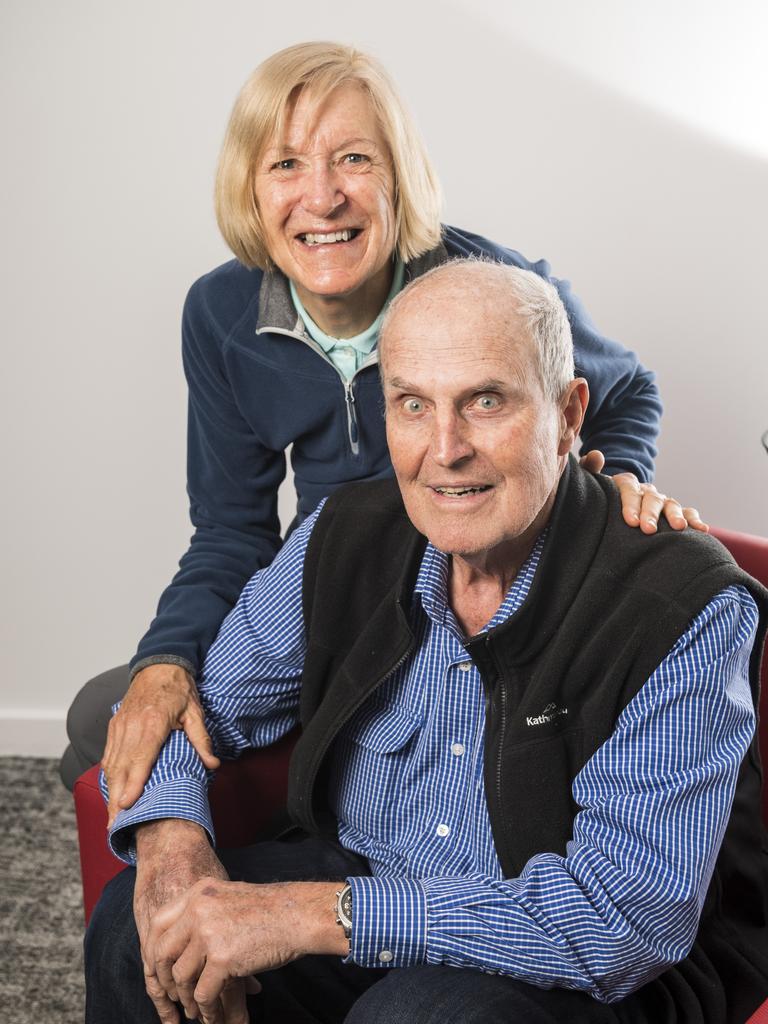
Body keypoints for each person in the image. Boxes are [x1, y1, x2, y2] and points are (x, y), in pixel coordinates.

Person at [85, 261, 768, 1024]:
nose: (445, 449)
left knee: (419, 1016)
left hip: (589, 961)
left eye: (484, 401)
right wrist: (173, 853)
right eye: (413, 404)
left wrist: (309, 915)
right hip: (374, 875)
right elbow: (197, 710)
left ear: (569, 414)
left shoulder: (680, 604)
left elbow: (623, 920)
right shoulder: (344, 535)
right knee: (134, 927)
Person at [60, 41, 707, 817]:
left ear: (399, 177)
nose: (323, 197)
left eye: (355, 159)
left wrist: (618, 476)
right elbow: (231, 530)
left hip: (464, 595)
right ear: (249, 187)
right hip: (327, 588)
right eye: (286, 164)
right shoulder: (221, 316)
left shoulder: (488, 290)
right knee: (106, 719)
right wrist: (166, 658)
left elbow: (625, 389)